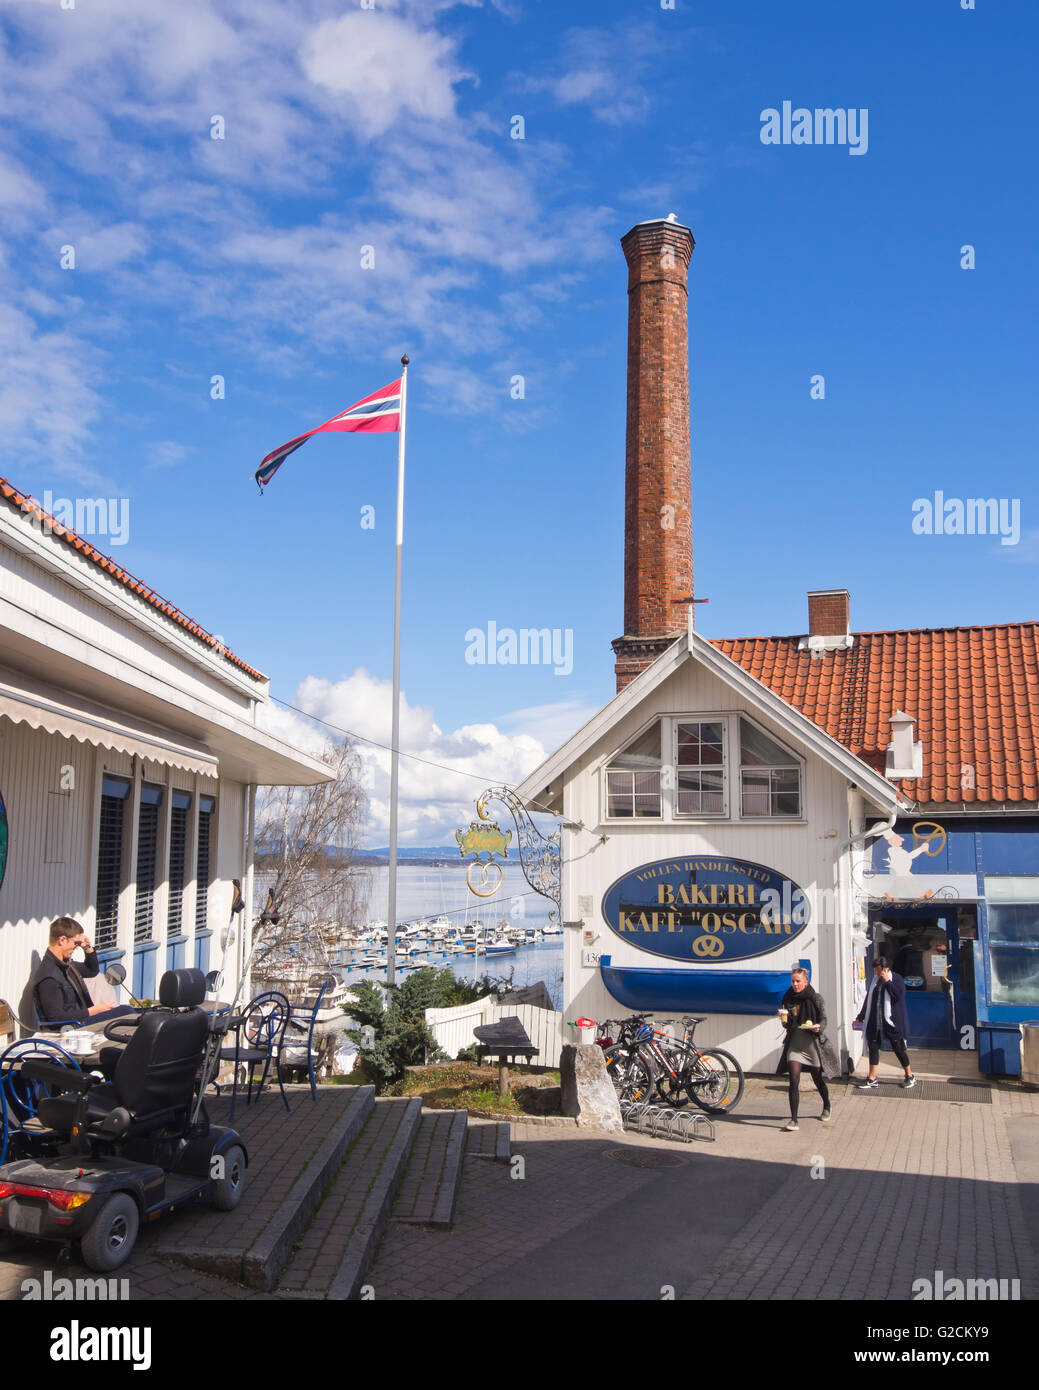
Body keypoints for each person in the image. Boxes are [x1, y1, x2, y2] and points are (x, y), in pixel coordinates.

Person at [31, 917, 131, 1027]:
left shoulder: (66, 965)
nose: (77, 947)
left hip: (80, 1021)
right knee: (125, 1012)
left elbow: (91, 971)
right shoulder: (48, 976)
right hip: (71, 1028)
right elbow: (55, 1017)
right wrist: (94, 1010)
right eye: (76, 943)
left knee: (129, 1012)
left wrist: (88, 948)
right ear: (62, 940)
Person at [776, 967, 831, 1131]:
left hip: (811, 1044)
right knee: (793, 1080)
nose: (795, 984)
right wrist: (783, 1019)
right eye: (793, 981)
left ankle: (827, 1105)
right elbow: (787, 1024)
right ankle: (794, 1120)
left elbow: (824, 1019)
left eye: (798, 981)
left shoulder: (815, 998)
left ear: (806, 982)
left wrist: (818, 1027)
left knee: (817, 1079)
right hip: (795, 1043)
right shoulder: (788, 998)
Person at [854, 955, 915, 1089]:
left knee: (898, 1048)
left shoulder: (897, 979)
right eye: (875, 970)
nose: (877, 973)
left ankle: (909, 1075)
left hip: (892, 1021)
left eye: (879, 970)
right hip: (875, 1021)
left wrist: (888, 982)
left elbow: (898, 996)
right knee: (873, 1047)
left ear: (886, 969)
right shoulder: (875, 981)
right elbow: (868, 1000)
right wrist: (862, 1015)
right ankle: (872, 1078)